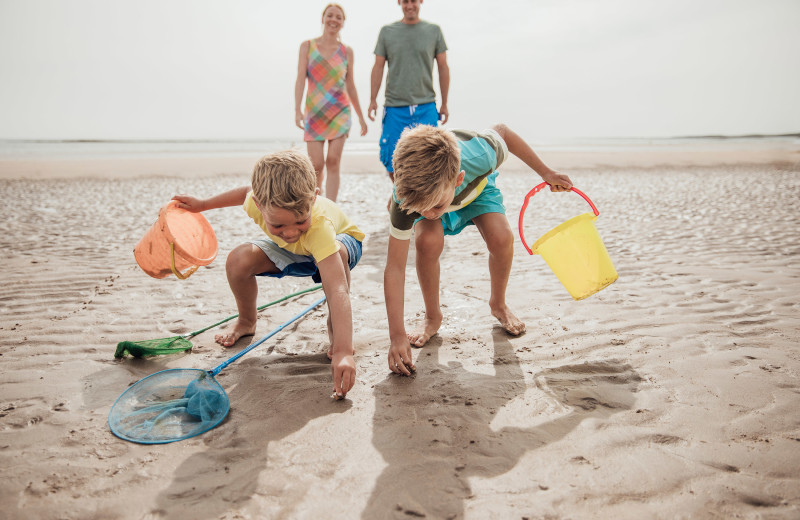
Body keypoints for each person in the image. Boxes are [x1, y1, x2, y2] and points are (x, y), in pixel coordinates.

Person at [383, 124, 574, 375]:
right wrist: (397, 336)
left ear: (458, 179)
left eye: (435, 207)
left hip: (477, 191)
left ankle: (499, 304)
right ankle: (432, 317)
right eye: (423, 210)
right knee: (427, 242)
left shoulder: (481, 155)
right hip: (428, 194)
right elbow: (394, 268)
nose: (429, 214)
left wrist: (546, 173)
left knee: (502, 237)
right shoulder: (407, 200)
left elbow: (504, 132)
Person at [172, 150, 364, 398]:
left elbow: (338, 288)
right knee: (238, 260)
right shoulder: (255, 201)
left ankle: (337, 335)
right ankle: (246, 322)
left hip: (341, 245)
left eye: (300, 221)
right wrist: (203, 205)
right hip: (296, 253)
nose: (291, 231)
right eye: (278, 225)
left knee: (336, 257)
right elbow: (243, 193)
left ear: (314, 199)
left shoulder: (319, 225)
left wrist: (344, 351)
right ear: (259, 205)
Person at [368, 0, 449, 181]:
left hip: (426, 106)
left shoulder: (433, 31)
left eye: (413, 1)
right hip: (395, 106)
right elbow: (378, 67)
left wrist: (444, 103)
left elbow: (443, 67)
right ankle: (401, 197)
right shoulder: (387, 32)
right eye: (405, 1)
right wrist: (372, 99)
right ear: (399, 2)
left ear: (420, 2)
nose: (409, 5)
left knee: (430, 160)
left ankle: (422, 203)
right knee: (391, 159)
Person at [294, 2, 367, 202]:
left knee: (333, 161)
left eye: (338, 17)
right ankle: (316, 203)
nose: (333, 20)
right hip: (314, 113)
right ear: (323, 18)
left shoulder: (346, 51)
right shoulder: (307, 46)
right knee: (316, 165)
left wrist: (361, 118)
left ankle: (331, 207)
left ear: (343, 23)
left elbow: (350, 85)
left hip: (339, 112)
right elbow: (301, 78)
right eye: (330, 16)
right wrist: (297, 109)